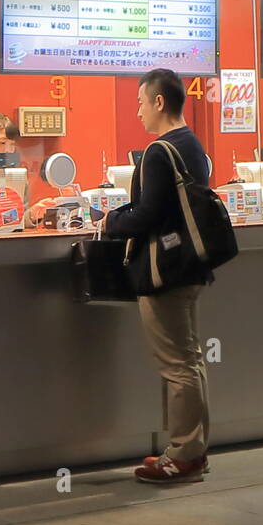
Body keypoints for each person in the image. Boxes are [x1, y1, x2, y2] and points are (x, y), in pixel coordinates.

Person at [100, 68, 212, 484]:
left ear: (159, 102)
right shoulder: (194, 147)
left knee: (177, 365)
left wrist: (110, 221)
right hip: (191, 268)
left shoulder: (159, 151)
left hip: (165, 272)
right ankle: (193, 450)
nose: (139, 113)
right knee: (191, 360)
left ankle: (183, 454)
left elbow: (149, 214)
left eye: (141, 103)